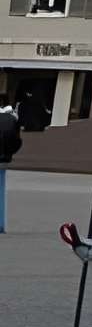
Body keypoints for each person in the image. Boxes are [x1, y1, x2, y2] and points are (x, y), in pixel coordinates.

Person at [0, 94, 22, 234]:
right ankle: (1, 224)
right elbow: (17, 141)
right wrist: (9, 154)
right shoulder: (12, 118)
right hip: (4, 158)